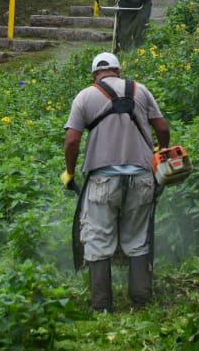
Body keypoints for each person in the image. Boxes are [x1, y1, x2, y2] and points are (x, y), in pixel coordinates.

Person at [61, 51, 171, 311]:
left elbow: (72, 141)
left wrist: (70, 172)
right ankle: (141, 300)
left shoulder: (85, 95)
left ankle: (102, 306)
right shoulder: (140, 90)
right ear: (118, 71)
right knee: (137, 238)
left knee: (98, 240)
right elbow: (163, 129)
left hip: (102, 180)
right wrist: (160, 153)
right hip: (142, 178)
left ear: (94, 75)